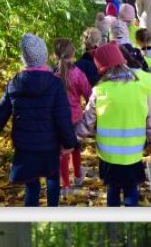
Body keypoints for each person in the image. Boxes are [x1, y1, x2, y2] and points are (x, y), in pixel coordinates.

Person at [0, 34, 78, 207]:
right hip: (49, 145)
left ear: (24, 58)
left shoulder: (14, 83)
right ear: (44, 56)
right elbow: (62, 117)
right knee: (52, 178)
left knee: (31, 184)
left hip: (25, 146)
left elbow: (0, 114)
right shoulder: (55, 84)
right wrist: (69, 142)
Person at [78, 42, 151, 207]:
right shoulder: (141, 88)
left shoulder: (100, 90)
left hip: (108, 156)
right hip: (133, 153)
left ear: (102, 68)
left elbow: (87, 123)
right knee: (131, 189)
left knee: (113, 190)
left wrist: (69, 141)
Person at [52, 38, 91, 195]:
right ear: (73, 54)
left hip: (58, 118)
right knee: (75, 147)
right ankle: (77, 176)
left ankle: (65, 185)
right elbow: (88, 92)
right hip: (75, 117)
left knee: (63, 151)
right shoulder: (78, 74)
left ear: (55, 55)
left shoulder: (53, 75)